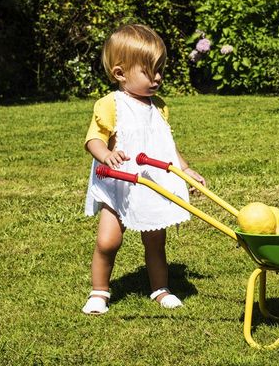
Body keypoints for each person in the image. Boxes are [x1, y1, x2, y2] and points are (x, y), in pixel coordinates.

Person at [81, 24, 206, 315]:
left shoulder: (158, 106)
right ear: (120, 73)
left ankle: (160, 289)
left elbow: (166, 143)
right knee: (107, 241)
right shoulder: (110, 105)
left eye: (160, 70)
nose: (158, 78)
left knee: (155, 240)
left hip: (151, 181)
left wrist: (184, 169)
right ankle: (99, 291)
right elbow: (93, 139)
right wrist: (106, 154)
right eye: (150, 72)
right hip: (118, 183)